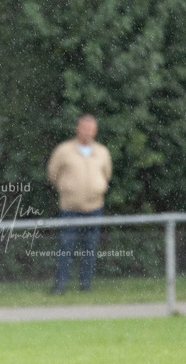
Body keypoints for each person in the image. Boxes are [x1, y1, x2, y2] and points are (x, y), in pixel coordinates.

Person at [46, 114, 113, 294]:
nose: (87, 132)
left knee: (90, 248)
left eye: (90, 129)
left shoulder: (102, 152)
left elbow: (107, 175)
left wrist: (96, 188)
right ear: (77, 129)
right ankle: (60, 285)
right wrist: (67, 188)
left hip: (94, 208)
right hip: (69, 208)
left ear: (95, 131)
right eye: (84, 128)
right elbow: (53, 173)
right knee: (65, 247)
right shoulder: (64, 150)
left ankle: (86, 284)